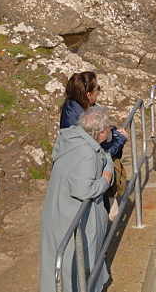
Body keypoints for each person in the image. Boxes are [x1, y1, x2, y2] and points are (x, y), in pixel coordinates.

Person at [39, 105, 116, 292]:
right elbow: (84, 189)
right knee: (76, 266)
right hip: (71, 218)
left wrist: (107, 166)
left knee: (62, 265)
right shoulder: (86, 155)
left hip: (58, 213)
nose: (111, 130)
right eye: (109, 128)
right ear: (100, 133)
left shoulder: (72, 139)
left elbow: (104, 157)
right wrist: (105, 181)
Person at [60, 73, 127, 206]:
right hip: (90, 175)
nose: (99, 92)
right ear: (88, 94)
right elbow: (98, 150)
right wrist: (119, 140)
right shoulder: (79, 115)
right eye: (98, 89)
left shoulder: (79, 107)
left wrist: (113, 132)